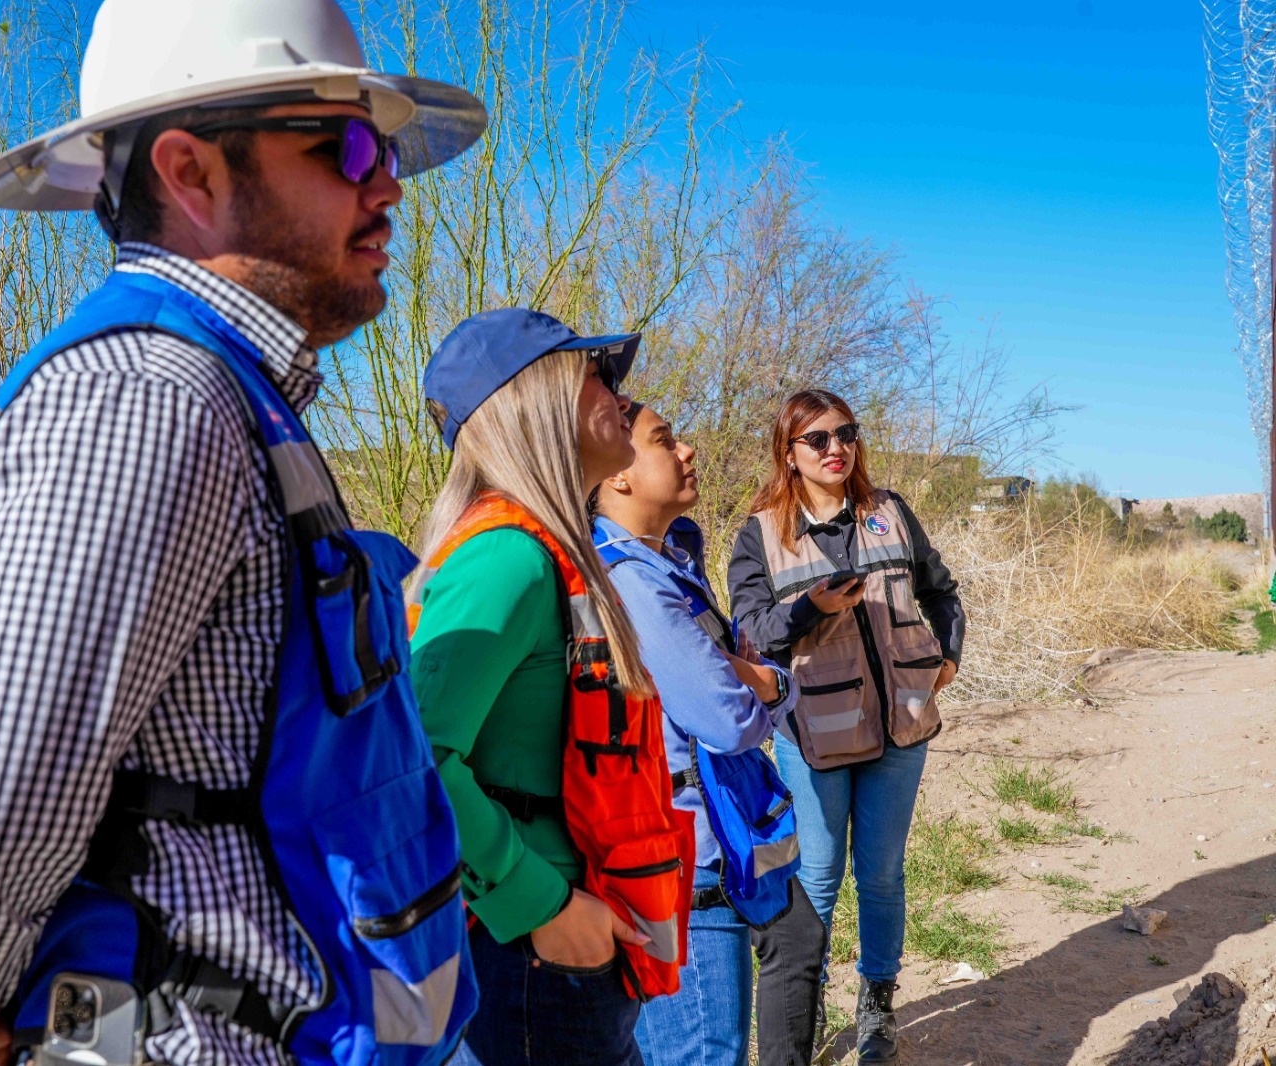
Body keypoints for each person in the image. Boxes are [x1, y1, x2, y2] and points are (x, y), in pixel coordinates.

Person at [0, 1, 488, 1063]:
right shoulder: (146, 396)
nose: (387, 184)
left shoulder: (231, 394)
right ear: (190, 172)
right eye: (344, 145)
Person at [407, 309, 694, 1066]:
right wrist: (547, 907)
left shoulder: (553, 550)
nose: (618, 392)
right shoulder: (507, 557)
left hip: (566, 950)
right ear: (531, 399)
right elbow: (415, 760)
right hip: (535, 953)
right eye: (594, 373)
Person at [727, 389, 965, 1065]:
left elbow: (941, 589)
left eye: (847, 434)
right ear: (789, 452)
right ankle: (803, 1015)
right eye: (819, 439)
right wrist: (810, 607)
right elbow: (753, 640)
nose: (838, 449)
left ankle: (877, 1009)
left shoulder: (889, 511)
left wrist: (947, 655)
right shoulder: (759, 536)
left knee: (883, 874)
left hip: (902, 726)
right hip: (815, 737)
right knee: (820, 878)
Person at [591, 402, 827, 1066]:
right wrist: (774, 685)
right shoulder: (634, 584)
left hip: (734, 838)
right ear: (619, 478)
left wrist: (757, 679)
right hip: (689, 870)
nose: (689, 449)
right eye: (665, 441)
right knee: (702, 1053)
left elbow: (732, 687)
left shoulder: (669, 562)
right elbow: (725, 719)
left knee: (799, 941)